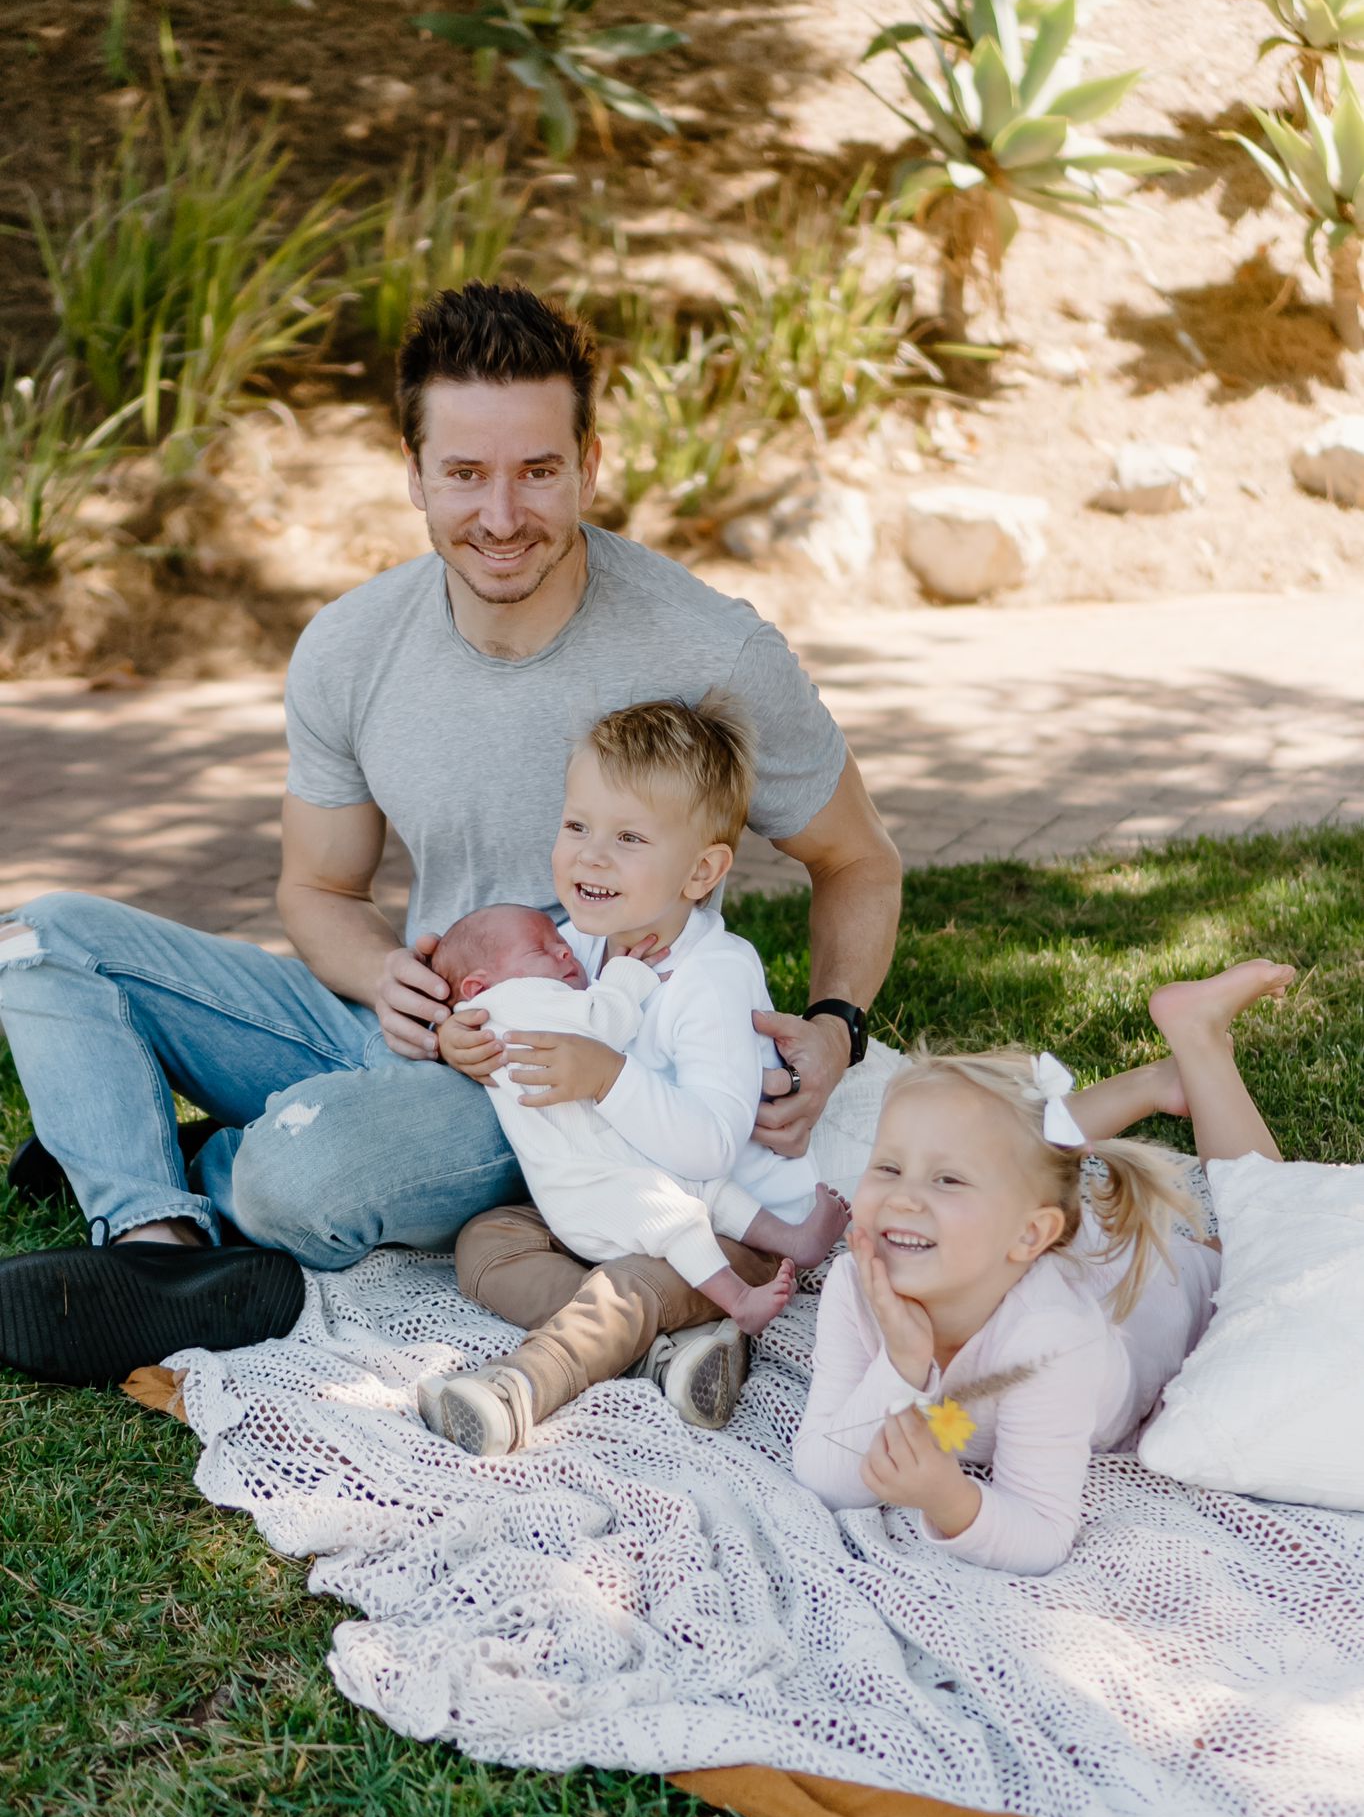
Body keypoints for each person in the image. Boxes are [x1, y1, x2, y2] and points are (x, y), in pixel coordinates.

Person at [0, 280, 900, 1387]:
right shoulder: (349, 646)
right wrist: (386, 977)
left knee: (305, 1177)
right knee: (39, 936)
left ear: (590, 460)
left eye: (537, 470)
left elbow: (856, 858)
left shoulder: (709, 649)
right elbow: (319, 891)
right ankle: (154, 1244)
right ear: (414, 473)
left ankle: (176, 1144)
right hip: (404, 1020)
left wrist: (836, 1023)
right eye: (465, 473)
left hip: (558, 1081)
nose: (502, 513)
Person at [414, 697, 849, 1456]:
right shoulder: (578, 948)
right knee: (485, 1247)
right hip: (612, 1206)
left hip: (722, 1225)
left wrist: (609, 1076)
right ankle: (659, 1346)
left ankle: (520, 1389)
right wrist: (463, 1037)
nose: (589, 856)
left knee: (629, 1287)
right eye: (577, 826)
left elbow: (712, 1147)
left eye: (628, 838)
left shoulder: (713, 977)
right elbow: (521, 1015)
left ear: (702, 871)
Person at [793, 959, 1295, 1575]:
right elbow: (826, 1474)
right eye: (888, 1168)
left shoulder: (1049, 1343)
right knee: (1012, 1150)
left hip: (1157, 1290)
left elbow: (1040, 1531)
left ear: (1029, 1235)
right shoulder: (857, 1285)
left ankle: (1195, 1038)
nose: (902, 1197)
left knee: (1268, 1228)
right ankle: (1153, 1081)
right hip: (1037, 1248)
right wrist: (900, 1362)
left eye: (946, 1179)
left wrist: (953, 1502)